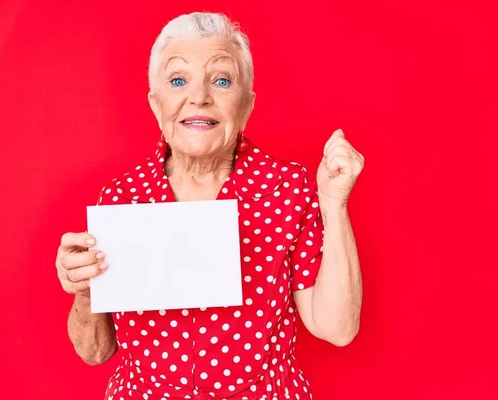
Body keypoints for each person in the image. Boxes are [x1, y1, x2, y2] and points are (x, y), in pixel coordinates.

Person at [55, 11, 364, 399]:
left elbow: (335, 327)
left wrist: (334, 204)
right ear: (156, 104)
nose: (199, 96)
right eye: (178, 80)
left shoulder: (287, 187)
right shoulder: (121, 198)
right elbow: (96, 352)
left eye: (221, 80)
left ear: (247, 106)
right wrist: (85, 289)